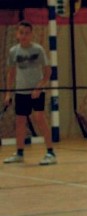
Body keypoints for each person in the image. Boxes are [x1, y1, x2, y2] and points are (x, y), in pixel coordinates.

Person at [3, 21, 57, 165]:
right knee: (20, 121)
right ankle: (19, 153)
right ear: (17, 34)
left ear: (31, 34)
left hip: (36, 92)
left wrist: (39, 88)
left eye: (27, 33)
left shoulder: (38, 50)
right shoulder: (13, 51)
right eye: (21, 33)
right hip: (21, 92)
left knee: (39, 118)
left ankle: (50, 152)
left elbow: (48, 72)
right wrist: (8, 93)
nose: (24, 36)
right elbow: (11, 73)